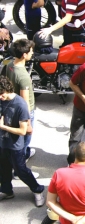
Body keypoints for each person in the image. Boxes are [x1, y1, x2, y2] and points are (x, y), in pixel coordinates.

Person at [0, 76, 45, 207]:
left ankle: (38, 189)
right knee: (3, 169)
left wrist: (3, 127)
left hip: (15, 145)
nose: (0, 98)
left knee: (20, 171)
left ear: (8, 89)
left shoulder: (20, 104)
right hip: (2, 143)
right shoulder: (2, 99)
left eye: (2, 95)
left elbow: (22, 131)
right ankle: (6, 190)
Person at [47, 141, 85, 224]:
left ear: (75, 152)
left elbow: (50, 201)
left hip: (67, 221)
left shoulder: (59, 174)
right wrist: (82, 221)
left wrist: (72, 218)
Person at [6, 39, 39, 179]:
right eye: (30, 51)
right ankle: (19, 169)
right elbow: (25, 101)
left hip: (11, 107)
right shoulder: (23, 76)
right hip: (24, 112)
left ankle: (24, 154)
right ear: (24, 55)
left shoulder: (9, 65)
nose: (32, 53)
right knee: (23, 141)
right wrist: (28, 123)